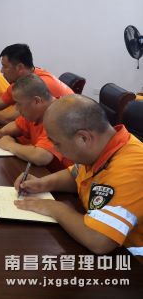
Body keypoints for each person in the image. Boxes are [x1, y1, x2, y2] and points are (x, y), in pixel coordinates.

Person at [14, 95, 143, 256]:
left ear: (83, 138)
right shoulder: (105, 147)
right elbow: (76, 174)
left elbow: (98, 240)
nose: (55, 148)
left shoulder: (131, 169)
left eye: (57, 143)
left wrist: (55, 208)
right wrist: (43, 183)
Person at [0, 43, 73, 124]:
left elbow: (9, 118)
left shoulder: (39, 84)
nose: (1, 71)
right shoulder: (22, 81)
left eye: (5, 67)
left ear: (19, 67)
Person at [0, 74, 73, 172]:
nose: (16, 108)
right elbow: (17, 126)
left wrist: (10, 145)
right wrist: (0, 132)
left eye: (19, 103)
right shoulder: (35, 112)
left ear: (36, 101)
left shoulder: (59, 116)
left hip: (61, 177)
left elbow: (41, 157)